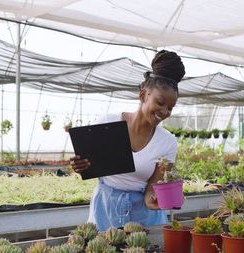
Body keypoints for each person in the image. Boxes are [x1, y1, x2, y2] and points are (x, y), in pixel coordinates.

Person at [70, 50, 186, 231]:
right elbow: (88, 163)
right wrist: (80, 165)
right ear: (142, 95)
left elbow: (152, 187)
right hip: (106, 210)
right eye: (160, 103)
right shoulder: (108, 123)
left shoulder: (167, 142)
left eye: (170, 107)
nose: (165, 112)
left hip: (145, 217)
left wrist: (154, 200)